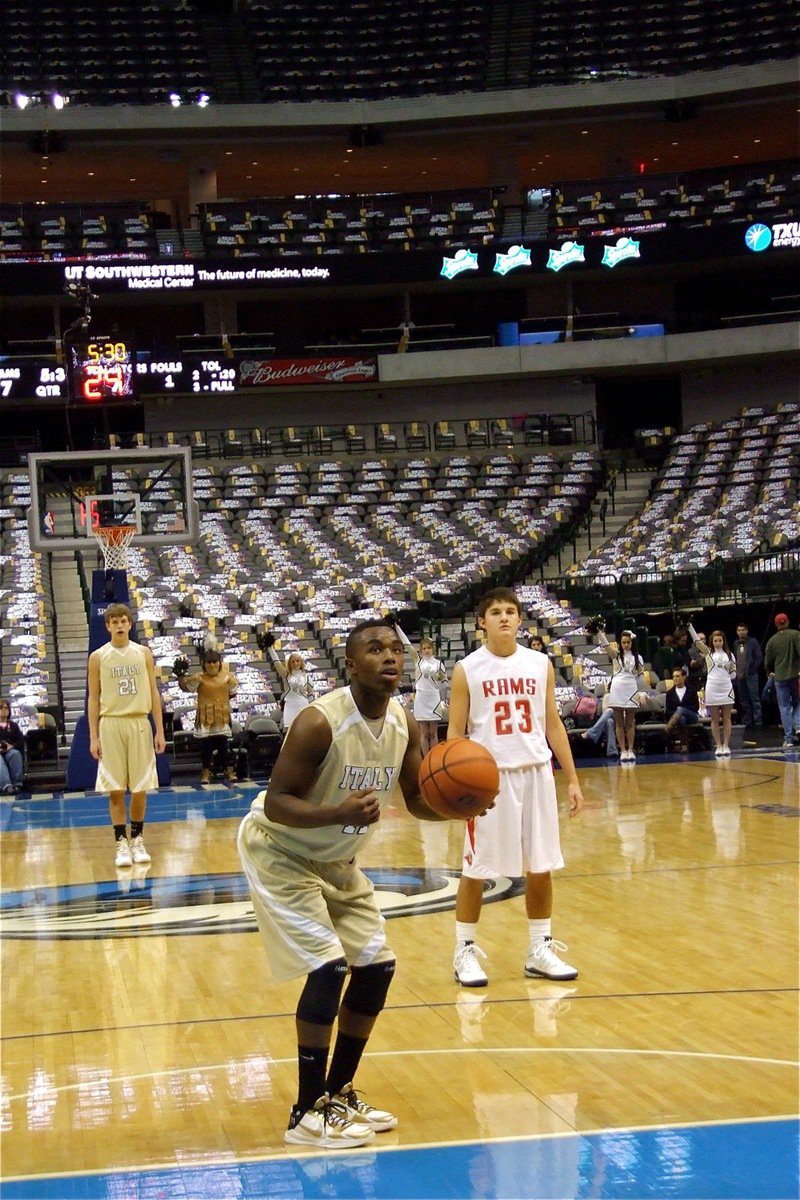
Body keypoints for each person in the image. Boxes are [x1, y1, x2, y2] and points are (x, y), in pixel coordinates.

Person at [237, 619, 492, 1149]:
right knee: (329, 968)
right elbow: (278, 802)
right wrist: (337, 812)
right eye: (375, 650)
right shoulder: (318, 722)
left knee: (376, 967)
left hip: (336, 859)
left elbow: (419, 797)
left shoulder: (403, 723)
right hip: (280, 852)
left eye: (395, 650)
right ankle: (306, 1113)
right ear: (350, 665)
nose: (389, 657)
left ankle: (339, 1093)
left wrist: (461, 807)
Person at [448, 587, 583, 989]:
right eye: (495, 612)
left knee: (541, 865)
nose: (504, 617)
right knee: (476, 869)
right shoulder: (467, 669)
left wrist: (573, 778)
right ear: (481, 622)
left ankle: (539, 948)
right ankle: (464, 950)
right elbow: (455, 732)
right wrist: (458, 790)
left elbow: (553, 723)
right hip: (489, 780)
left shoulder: (540, 663)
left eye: (510, 611)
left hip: (537, 772)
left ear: (520, 620)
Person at [87, 602, 165, 868]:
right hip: (111, 724)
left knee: (141, 787)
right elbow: (93, 699)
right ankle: (121, 842)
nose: (120, 625)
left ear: (130, 624)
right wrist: (93, 736)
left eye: (123, 621)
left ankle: (137, 839)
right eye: (114, 621)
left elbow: (154, 692)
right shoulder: (98, 657)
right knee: (116, 789)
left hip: (139, 723)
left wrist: (160, 730)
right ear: (107, 626)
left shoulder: (143, 653)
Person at [175, 648, 239, 783]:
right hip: (205, 717)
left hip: (222, 716)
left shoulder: (227, 677)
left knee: (223, 746)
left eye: (214, 661)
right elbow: (186, 688)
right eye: (209, 662)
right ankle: (205, 773)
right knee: (206, 747)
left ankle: (229, 771)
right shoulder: (199, 678)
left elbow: (233, 692)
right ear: (204, 663)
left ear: (219, 662)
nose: (212, 665)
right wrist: (180, 676)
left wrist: (221, 702)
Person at [393, 625, 446, 756]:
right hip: (421, 699)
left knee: (433, 732)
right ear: (421, 650)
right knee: (423, 732)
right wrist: (397, 626)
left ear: (433, 649)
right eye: (424, 648)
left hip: (433, 699)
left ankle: (433, 758)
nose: (426, 650)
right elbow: (407, 644)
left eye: (429, 648)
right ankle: (425, 758)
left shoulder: (439, 664)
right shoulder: (418, 662)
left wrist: (442, 699)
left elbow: (443, 683)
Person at [599, 628, 646, 763]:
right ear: (620, 643)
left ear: (632, 643)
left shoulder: (639, 658)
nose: (626, 644)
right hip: (617, 688)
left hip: (631, 688)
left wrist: (641, 692)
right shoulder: (616, 655)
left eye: (628, 642)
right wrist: (599, 632)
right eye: (623, 642)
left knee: (630, 722)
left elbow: (641, 676)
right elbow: (606, 646)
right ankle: (623, 750)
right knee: (619, 722)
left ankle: (630, 749)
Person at [691, 624, 736, 756]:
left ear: (723, 641)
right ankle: (718, 745)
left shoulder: (730, 655)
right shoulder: (708, 653)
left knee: (727, 718)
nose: (717, 643)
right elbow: (697, 642)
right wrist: (690, 627)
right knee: (714, 719)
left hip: (726, 688)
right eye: (715, 641)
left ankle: (726, 745)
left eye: (720, 640)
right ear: (712, 641)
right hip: (712, 688)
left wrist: (726, 672)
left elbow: (733, 673)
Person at [764, 613, 800, 749]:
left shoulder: (772, 640)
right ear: (788, 622)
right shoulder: (796, 635)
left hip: (780, 678)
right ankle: (798, 726)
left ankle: (789, 739)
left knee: (784, 707)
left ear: (776, 624)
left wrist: (769, 671)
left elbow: (768, 660)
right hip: (796, 675)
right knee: (798, 702)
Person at [265, 639, 314, 732]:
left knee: (304, 731)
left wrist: (308, 703)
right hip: (290, 705)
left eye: (297, 661)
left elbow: (311, 693)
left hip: (303, 705)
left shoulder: (306, 677)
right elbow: (277, 663)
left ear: (301, 662)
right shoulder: (286, 674)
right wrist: (271, 649)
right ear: (289, 664)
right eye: (293, 662)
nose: (295, 663)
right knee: (288, 731)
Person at [732, 622, 763, 728]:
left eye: (743, 630)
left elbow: (759, 657)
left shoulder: (753, 642)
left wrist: (752, 669)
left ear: (747, 631)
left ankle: (758, 722)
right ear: (736, 632)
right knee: (743, 701)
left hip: (751, 675)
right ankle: (747, 722)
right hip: (739, 676)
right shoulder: (736, 643)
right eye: (739, 630)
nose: (741, 632)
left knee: (755, 699)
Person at [663, 666, 702, 750]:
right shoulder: (670, 693)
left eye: (677, 676)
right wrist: (678, 713)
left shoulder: (691, 690)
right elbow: (668, 710)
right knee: (681, 719)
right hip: (677, 718)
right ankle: (684, 745)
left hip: (692, 716)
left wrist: (681, 710)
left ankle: (667, 728)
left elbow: (696, 707)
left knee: (680, 710)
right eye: (673, 676)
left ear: (684, 677)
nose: (675, 678)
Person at [0, 699, 25, 794]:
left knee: (16, 754)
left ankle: (17, 784)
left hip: (10, 750)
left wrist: (12, 746)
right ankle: (7, 785)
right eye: (1, 708)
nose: (4, 709)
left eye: (6, 708)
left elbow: (21, 740)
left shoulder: (13, 725)